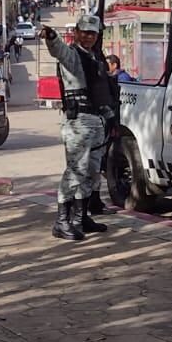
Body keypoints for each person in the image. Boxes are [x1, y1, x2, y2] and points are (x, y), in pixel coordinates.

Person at [42, 14, 117, 240]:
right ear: (76, 32)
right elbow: (58, 50)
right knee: (76, 171)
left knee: (92, 172)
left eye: (93, 33)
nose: (88, 37)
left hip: (97, 119)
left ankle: (80, 217)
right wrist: (51, 36)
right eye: (84, 32)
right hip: (80, 121)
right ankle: (61, 222)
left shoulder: (95, 57)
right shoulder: (72, 55)